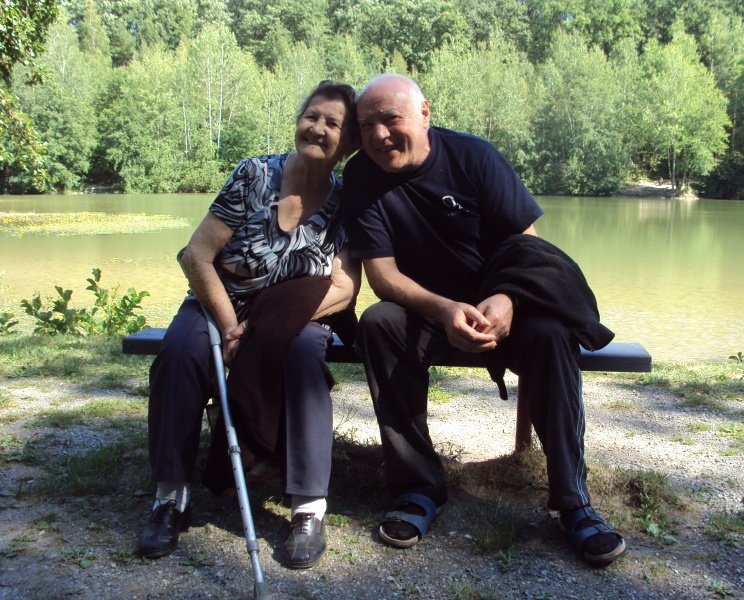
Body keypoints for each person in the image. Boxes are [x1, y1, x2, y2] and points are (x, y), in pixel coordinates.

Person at [342, 74, 626, 566]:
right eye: (367, 125)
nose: (380, 135)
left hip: (504, 305)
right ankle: (417, 488)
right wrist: (445, 309)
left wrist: (508, 299)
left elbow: (527, 244)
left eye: (390, 119)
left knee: (552, 333)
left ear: (424, 114)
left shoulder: (474, 156)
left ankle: (573, 502)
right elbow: (382, 277)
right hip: (428, 313)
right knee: (379, 322)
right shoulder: (361, 176)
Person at [138, 80, 361, 570]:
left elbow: (345, 287)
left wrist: (272, 326)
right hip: (220, 300)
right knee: (180, 353)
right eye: (311, 116)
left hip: (293, 313)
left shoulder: (346, 202)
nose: (317, 128)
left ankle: (309, 508)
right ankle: (170, 497)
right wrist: (230, 326)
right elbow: (196, 255)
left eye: (333, 124)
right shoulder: (255, 175)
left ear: (348, 145)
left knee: (303, 358)